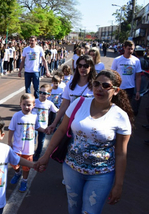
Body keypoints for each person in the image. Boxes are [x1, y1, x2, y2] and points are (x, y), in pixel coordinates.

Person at [36, 70, 134, 214]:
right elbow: (61, 130)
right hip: (71, 169)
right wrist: (45, 156)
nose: (99, 88)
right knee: (73, 208)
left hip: (102, 174)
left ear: (116, 90)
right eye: (96, 84)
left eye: (106, 85)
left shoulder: (121, 117)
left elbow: (121, 153)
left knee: (90, 212)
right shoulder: (79, 103)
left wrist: (118, 184)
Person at [47, 55, 96, 134]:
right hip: (70, 121)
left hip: (88, 123)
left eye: (86, 66)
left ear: (91, 67)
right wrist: (54, 123)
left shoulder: (95, 86)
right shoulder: (70, 84)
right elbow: (64, 105)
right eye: (80, 66)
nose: (82, 68)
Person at [8, 94, 46, 192]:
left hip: (28, 149)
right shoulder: (16, 116)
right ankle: (17, 173)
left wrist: (45, 130)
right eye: (24, 104)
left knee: (26, 167)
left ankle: (24, 181)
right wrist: (9, 142)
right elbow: (11, 129)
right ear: (20, 104)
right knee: (14, 163)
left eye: (29, 105)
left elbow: (37, 127)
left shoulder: (34, 116)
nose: (26, 107)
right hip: (17, 147)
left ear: (33, 105)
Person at [32, 85, 58, 161]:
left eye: (44, 93)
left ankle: (37, 154)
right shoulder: (34, 101)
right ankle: (31, 153)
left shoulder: (49, 103)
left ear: (49, 95)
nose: (42, 94)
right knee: (32, 140)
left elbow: (56, 111)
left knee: (41, 141)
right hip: (33, 126)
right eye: (40, 92)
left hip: (43, 127)